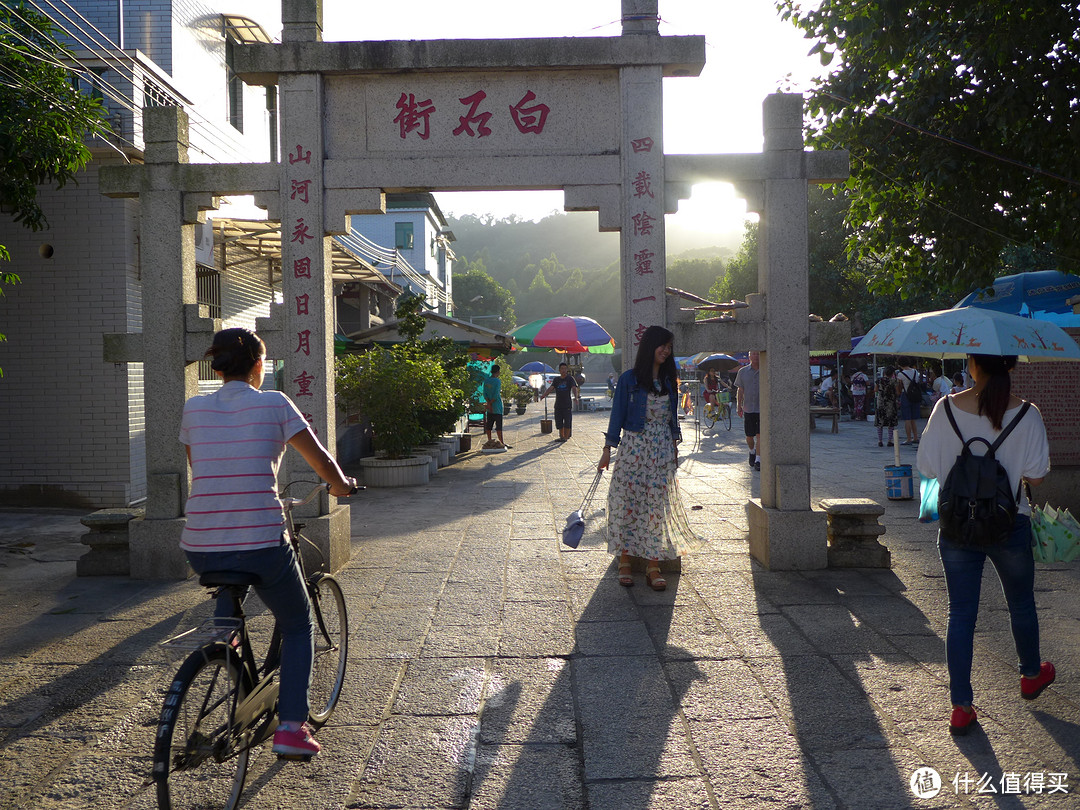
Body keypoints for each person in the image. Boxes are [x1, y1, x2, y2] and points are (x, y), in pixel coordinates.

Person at [179, 328, 357, 759]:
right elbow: (320, 460)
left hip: (199, 542)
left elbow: (200, 468)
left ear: (216, 366)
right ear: (259, 366)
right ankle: (292, 728)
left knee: (229, 579)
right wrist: (342, 486)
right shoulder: (274, 402)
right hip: (258, 537)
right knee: (298, 625)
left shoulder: (194, 408)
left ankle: (226, 641)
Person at [916, 354, 1054, 736]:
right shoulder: (1028, 414)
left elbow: (926, 468)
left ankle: (961, 706)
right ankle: (1030, 674)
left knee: (960, 613)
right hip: (1009, 525)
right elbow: (1038, 477)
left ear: (972, 366)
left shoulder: (944, 409)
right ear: (1010, 366)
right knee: (1021, 604)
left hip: (958, 526)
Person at [597, 325, 702, 591]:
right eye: (662, 345)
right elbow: (617, 415)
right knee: (628, 503)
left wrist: (675, 445)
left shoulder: (668, 382)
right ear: (649, 346)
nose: (666, 351)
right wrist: (608, 449)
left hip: (661, 450)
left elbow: (671, 419)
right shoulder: (629, 379)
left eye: (669, 347)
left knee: (657, 507)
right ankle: (625, 561)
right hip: (634, 447)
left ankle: (653, 565)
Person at [540, 362, 581, 442]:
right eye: (562, 369)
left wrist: (576, 397)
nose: (563, 370)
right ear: (559, 370)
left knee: (567, 421)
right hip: (558, 404)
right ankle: (561, 436)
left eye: (565, 369)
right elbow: (551, 388)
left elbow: (574, 388)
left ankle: (566, 437)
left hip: (567, 404)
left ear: (567, 370)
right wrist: (544, 395)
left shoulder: (570, 379)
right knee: (559, 421)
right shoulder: (556, 380)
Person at [735, 351, 761, 471]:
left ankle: (758, 460)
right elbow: (740, 390)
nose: (756, 356)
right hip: (748, 408)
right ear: (749, 356)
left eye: (757, 354)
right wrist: (739, 406)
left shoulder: (766, 371)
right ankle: (752, 451)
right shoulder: (743, 372)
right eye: (753, 354)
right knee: (749, 436)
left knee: (760, 435)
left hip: (762, 409)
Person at [482, 364, 510, 448]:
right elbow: (496, 394)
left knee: (489, 425)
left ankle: (489, 440)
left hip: (489, 407)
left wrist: (488, 404)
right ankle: (501, 442)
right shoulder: (497, 381)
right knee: (498, 426)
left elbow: (484, 393)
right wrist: (491, 403)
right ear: (498, 372)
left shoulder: (486, 381)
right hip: (497, 406)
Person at [897, 358, 921, 445]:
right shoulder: (915, 372)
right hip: (915, 395)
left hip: (906, 395)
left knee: (907, 418)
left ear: (900, 365)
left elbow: (899, 387)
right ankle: (915, 437)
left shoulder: (900, 374)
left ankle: (908, 438)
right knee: (913, 419)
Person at [874, 365, 899, 447]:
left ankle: (880, 440)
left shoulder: (879, 380)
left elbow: (875, 390)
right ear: (892, 373)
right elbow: (898, 392)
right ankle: (889, 440)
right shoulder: (894, 381)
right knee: (890, 423)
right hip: (890, 403)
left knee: (880, 422)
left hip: (880, 402)